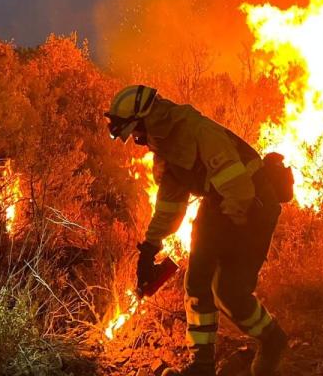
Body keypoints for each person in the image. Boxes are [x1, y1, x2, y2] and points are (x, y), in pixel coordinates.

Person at [104, 85, 288, 376]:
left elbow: (238, 189)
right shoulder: (165, 147)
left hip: (253, 207)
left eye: (136, 131)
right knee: (197, 283)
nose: (137, 140)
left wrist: (224, 232)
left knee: (228, 292)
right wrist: (150, 248)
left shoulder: (199, 132)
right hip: (220, 206)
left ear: (147, 119)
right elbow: (169, 205)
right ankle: (201, 366)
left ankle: (272, 339)